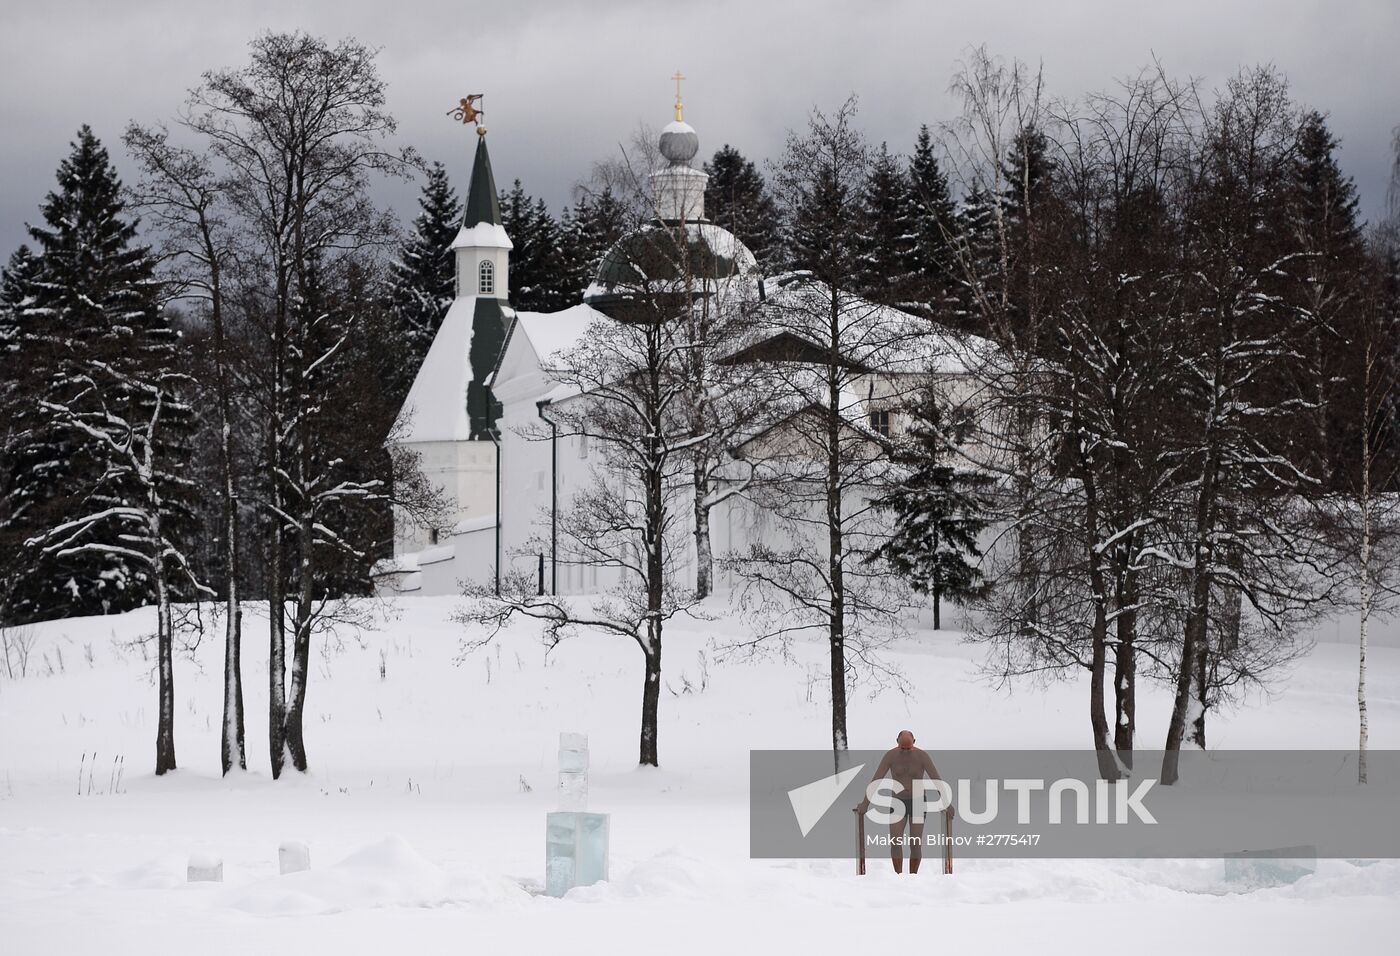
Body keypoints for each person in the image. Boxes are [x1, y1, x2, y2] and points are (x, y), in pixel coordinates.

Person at [856, 730, 953, 874]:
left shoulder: (922, 756)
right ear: (897, 742)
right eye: (903, 748)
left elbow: (936, 779)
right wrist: (865, 803)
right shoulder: (890, 756)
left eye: (909, 748)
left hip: (918, 801)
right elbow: (877, 780)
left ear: (914, 742)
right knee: (895, 841)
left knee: (915, 842)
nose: (906, 752)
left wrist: (946, 803)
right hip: (898, 801)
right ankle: (898, 875)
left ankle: (913, 875)